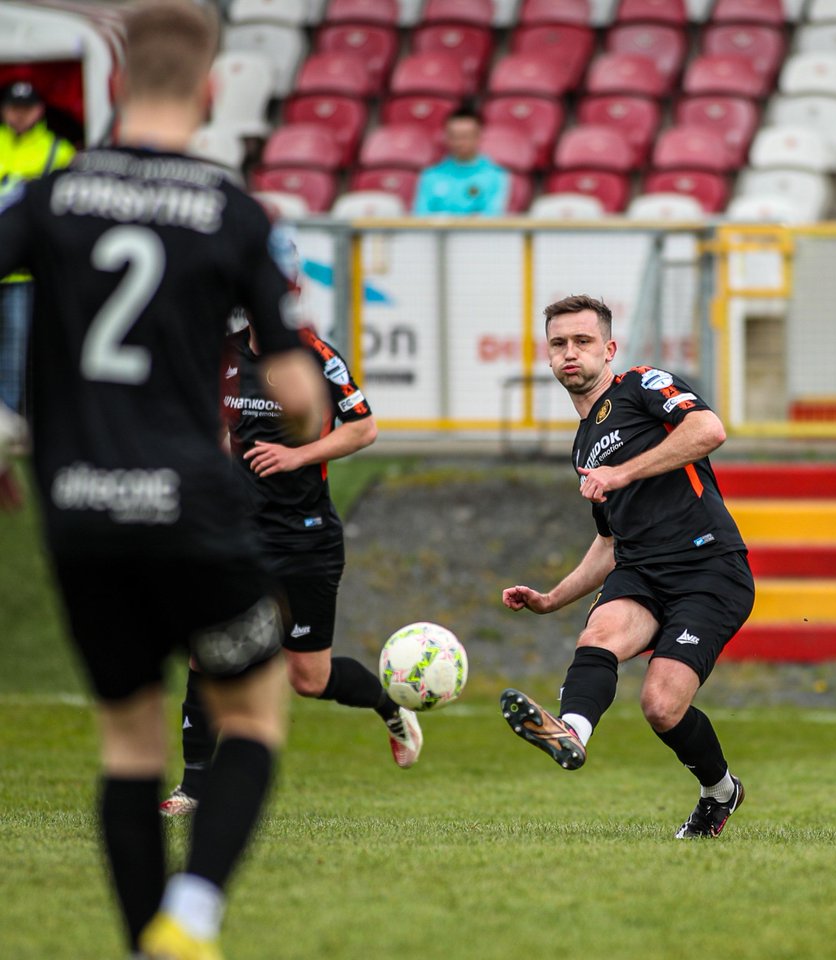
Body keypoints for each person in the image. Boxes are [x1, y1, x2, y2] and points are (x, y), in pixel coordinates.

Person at [0, 2, 327, 958]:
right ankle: (193, 913)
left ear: (113, 86)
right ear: (214, 89)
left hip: (78, 510)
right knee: (257, 714)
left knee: (130, 746)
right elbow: (300, 397)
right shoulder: (234, 212)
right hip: (189, 504)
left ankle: (147, 943)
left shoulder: (51, 198)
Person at [499, 294, 755, 839]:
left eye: (583, 341)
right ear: (548, 359)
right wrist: (550, 599)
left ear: (609, 349)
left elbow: (708, 431)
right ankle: (570, 732)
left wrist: (622, 473)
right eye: (559, 344)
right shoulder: (581, 446)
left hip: (708, 565)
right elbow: (608, 543)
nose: (571, 353)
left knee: (661, 706)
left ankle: (720, 791)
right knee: (599, 631)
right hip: (640, 571)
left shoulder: (642, 384)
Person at [160, 308, 424, 817]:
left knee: (309, 679)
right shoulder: (226, 353)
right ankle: (192, 788)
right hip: (237, 536)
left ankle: (390, 708)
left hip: (305, 539)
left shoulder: (315, 356)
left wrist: (295, 457)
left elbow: (364, 429)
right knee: (206, 651)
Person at [0, 80, 75, 412]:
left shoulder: (59, 151)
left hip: (27, 275)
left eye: (26, 107)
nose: (19, 115)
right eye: (13, 107)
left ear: (40, 109)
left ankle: (9, 434)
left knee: (15, 361)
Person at [412, 108, 510, 216]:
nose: (459, 142)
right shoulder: (430, 175)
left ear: (479, 136)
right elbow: (420, 216)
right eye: (454, 136)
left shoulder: (496, 176)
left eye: (465, 136)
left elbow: (493, 218)